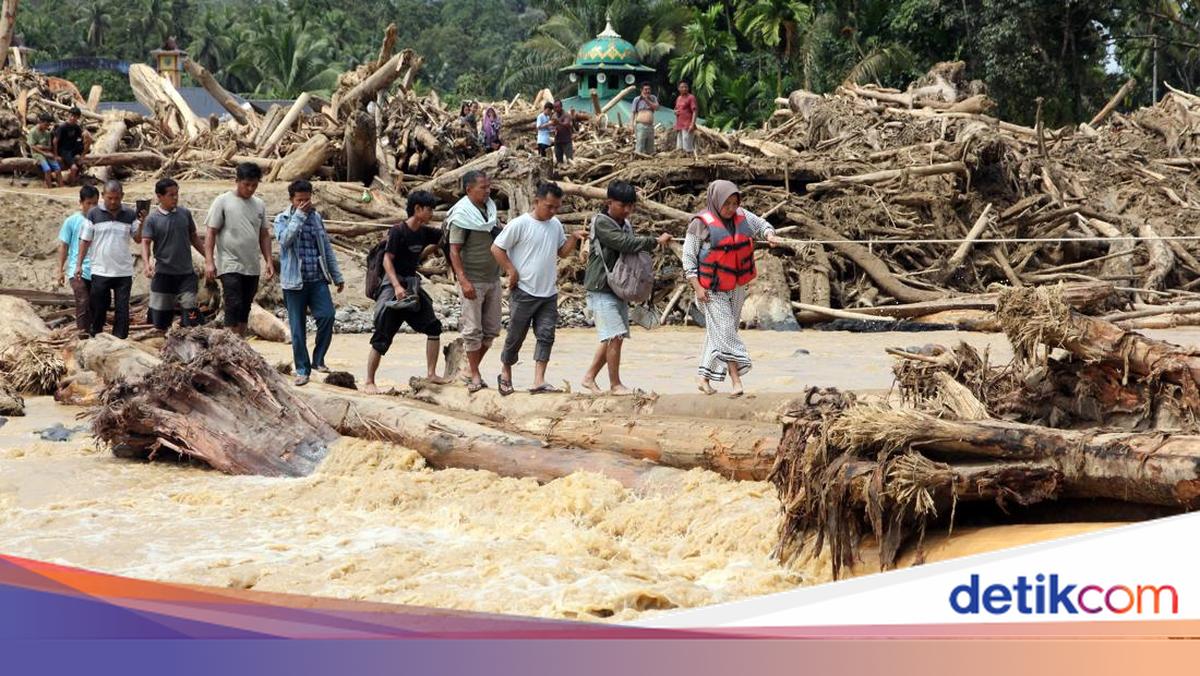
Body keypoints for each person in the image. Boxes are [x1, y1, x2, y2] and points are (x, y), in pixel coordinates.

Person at [683, 180, 781, 397]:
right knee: (726, 330)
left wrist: (770, 235)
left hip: (736, 285)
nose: (730, 209)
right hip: (710, 289)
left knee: (722, 331)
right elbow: (688, 260)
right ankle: (737, 380)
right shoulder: (699, 225)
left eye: (734, 204)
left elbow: (762, 226)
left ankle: (703, 377)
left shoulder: (742, 215)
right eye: (726, 204)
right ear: (715, 201)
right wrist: (697, 288)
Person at [491, 181, 584, 395]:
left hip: (548, 292)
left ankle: (539, 379)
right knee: (516, 335)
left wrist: (573, 238)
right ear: (536, 202)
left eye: (556, 207)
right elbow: (496, 248)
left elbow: (562, 252)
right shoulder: (520, 224)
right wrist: (511, 271)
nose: (553, 211)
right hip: (524, 290)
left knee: (546, 334)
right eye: (549, 206)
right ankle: (505, 373)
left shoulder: (555, 225)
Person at [581, 181, 673, 395]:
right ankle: (615, 385)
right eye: (623, 205)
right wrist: (655, 241)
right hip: (601, 287)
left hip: (617, 287)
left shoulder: (625, 224)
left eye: (630, 206)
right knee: (615, 336)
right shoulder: (602, 223)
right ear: (609, 202)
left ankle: (589, 377)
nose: (627, 210)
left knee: (614, 335)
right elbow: (624, 243)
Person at [364, 190, 449, 394]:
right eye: (429, 209)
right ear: (417, 209)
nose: (431, 213)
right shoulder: (398, 231)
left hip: (412, 286)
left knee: (433, 327)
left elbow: (444, 238)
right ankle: (369, 381)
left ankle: (431, 373)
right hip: (394, 286)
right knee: (382, 336)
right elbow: (387, 260)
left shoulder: (425, 232)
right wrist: (396, 286)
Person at [274, 180, 344, 386]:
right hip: (294, 282)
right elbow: (285, 240)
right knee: (297, 330)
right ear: (291, 200)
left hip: (317, 279)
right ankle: (302, 370)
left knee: (327, 316)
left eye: (307, 199)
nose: (304, 203)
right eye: (299, 200)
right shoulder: (282, 219)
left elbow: (326, 248)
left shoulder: (316, 218)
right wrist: (298, 216)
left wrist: (337, 276)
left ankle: (318, 360)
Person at [446, 169, 503, 393]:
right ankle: (475, 374)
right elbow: (454, 250)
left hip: (492, 277)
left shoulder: (490, 210)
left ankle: (471, 370)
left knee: (492, 330)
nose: (488, 191)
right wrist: (463, 280)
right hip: (473, 279)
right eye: (483, 187)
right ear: (469, 189)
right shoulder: (462, 215)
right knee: (472, 331)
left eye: (489, 187)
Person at [204, 162, 273, 336]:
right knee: (233, 303)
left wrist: (269, 260)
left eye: (254, 185)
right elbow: (211, 232)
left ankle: (239, 341)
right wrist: (209, 261)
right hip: (229, 262)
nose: (250, 189)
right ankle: (229, 340)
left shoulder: (259, 204)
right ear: (237, 181)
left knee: (245, 306)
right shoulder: (223, 201)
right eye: (246, 184)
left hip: (251, 264)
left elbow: (264, 235)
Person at [75, 180, 145, 339]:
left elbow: (138, 239)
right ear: (103, 196)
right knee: (99, 307)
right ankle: (96, 336)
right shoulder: (93, 214)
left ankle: (120, 339)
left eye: (116, 198)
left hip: (123, 271)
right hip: (100, 270)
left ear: (122, 196)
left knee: (122, 309)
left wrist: (142, 223)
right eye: (109, 198)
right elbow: (85, 241)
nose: (113, 202)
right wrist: (79, 265)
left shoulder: (130, 215)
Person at [140, 178, 203, 331]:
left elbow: (194, 237)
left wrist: (208, 257)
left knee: (190, 310)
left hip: (186, 274)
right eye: (171, 195)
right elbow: (145, 243)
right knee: (161, 322)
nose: (175, 198)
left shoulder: (185, 214)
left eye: (176, 194)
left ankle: (193, 341)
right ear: (159, 196)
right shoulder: (152, 219)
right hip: (163, 275)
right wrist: (147, 264)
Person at [56, 185, 100, 334]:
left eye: (95, 203)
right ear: (81, 202)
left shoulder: (101, 221)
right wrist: (60, 270)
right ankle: (83, 334)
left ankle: (94, 332)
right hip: (77, 269)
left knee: (96, 303)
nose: (92, 207)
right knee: (82, 300)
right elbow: (64, 246)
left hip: (97, 269)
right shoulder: (72, 221)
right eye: (89, 203)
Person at [53, 107, 91, 185]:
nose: (73, 118)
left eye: (75, 117)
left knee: (88, 138)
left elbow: (81, 136)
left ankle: (81, 160)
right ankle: (72, 183)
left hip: (73, 148)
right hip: (64, 150)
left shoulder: (76, 127)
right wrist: (56, 155)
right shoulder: (62, 127)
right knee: (74, 168)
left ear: (78, 118)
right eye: (72, 116)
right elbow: (55, 141)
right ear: (68, 115)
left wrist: (86, 136)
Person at [27, 113, 62, 189]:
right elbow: (32, 146)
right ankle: (49, 188)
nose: (47, 127)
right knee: (47, 169)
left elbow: (49, 147)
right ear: (40, 122)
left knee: (58, 169)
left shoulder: (47, 133)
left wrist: (41, 147)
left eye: (48, 125)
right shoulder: (33, 132)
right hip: (37, 154)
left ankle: (61, 187)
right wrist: (43, 152)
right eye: (45, 125)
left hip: (47, 152)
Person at [631, 82, 659, 155]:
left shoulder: (653, 98)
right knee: (640, 145)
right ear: (641, 90)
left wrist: (646, 100)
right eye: (645, 89)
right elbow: (633, 113)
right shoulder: (637, 99)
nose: (647, 91)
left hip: (650, 126)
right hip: (641, 125)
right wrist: (632, 125)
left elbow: (656, 108)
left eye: (649, 89)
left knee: (650, 147)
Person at [674, 81, 698, 153]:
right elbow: (676, 109)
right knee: (679, 148)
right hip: (679, 125)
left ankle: (689, 158)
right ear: (678, 88)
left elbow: (695, 111)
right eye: (682, 87)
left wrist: (692, 124)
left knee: (687, 148)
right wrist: (675, 112)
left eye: (686, 87)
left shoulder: (691, 97)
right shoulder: (678, 98)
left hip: (687, 125)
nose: (684, 89)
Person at [551, 100, 574, 164]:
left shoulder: (566, 115)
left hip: (566, 140)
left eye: (557, 107)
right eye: (555, 107)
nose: (556, 109)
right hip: (557, 140)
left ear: (561, 106)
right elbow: (552, 125)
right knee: (559, 160)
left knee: (569, 159)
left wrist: (558, 122)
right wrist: (553, 128)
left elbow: (567, 124)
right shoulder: (554, 115)